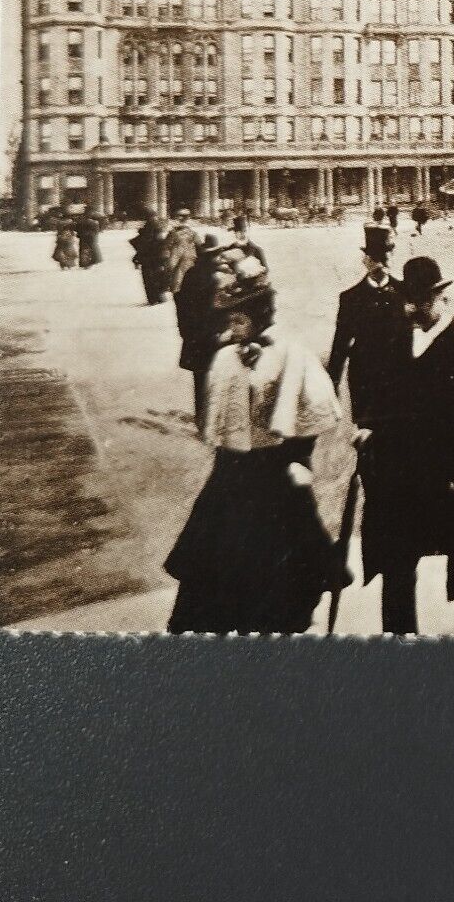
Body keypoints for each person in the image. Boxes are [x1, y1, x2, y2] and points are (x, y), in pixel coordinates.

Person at [164, 256, 346, 634]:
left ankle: (277, 620)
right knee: (218, 549)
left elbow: (309, 407)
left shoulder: (290, 353)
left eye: (239, 319)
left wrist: (300, 457)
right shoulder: (225, 356)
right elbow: (219, 415)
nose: (233, 326)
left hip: (276, 468)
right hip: (233, 470)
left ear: (260, 316)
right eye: (229, 320)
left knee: (279, 552)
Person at [356, 256, 454, 637]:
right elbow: (379, 400)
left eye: (423, 299)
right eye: (409, 299)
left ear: (441, 297)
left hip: (452, 472)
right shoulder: (393, 345)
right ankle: (399, 635)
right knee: (397, 555)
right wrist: (369, 429)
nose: (413, 308)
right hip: (401, 469)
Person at [325, 225, 406, 422]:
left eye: (385, 258)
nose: (381, 264)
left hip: (398, 375)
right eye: (375, 258)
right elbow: (341, 341)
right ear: (366, 261)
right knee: (365, 435)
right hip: (364, 376)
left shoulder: (403, 291)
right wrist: (332, 381)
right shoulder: (351, 297)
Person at [175, 231, 229, 425]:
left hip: (194, 336)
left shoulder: (190, 274)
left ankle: (201, 417)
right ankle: (214, 418)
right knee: (218, 376)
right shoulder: (216, 279)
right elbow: (221, 309)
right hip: (213, 337)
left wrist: (185, 330)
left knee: (200, 378)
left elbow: (180, 303)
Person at [128, 212, 168, 300]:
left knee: (150, 278)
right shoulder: (156, 229)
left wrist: (137, 258)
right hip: (156, 258)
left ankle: (153, 298)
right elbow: (160, 244)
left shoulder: (147, 230)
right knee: (158, 277)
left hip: (148, 258)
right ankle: (159, 297)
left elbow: (143, 246)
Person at [161, 209, 200, 299]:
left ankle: (177, 290)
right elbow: (198, 244)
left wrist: (165, 255)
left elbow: (167, 244)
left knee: (177, 273)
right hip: (189, 254)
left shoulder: (174, 231)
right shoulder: (192, 231)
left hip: (177, 254)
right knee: (186, 272)